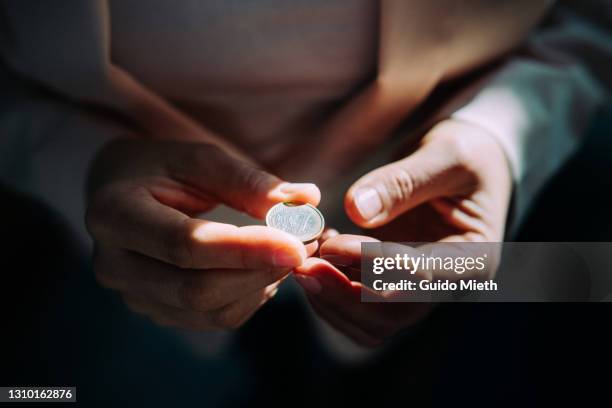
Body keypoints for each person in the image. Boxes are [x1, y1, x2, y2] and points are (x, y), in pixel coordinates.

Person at [0, 0, 610, 351]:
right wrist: (80, 161)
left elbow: (591, 16)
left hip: (461, 254)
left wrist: (503, 136)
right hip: (100, 262)